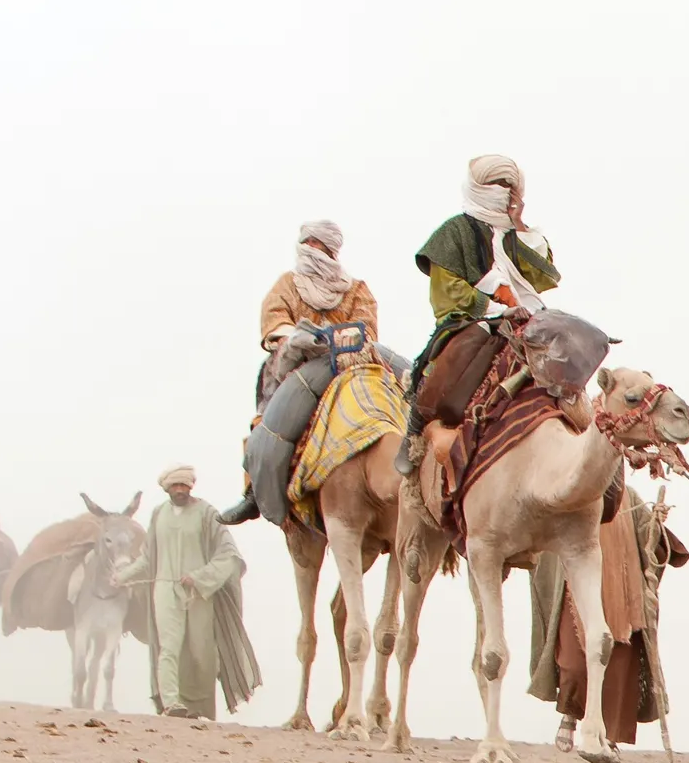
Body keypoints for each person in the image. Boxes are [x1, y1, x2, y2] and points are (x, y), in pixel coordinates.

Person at [399, 155, 560, 474]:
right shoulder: (453, 231)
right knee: (467, 347)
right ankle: (417, 427)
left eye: (509, 187)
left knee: (565, 351)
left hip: (527, 317)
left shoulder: (515, 236)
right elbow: (447, 291)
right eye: (498, 186)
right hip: (472, 319)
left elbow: (540, 278)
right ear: (479, 188)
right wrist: (496, 309)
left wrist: (518, 225)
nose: (504, 192)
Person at [221, 221, 383, 526]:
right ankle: (254, 490)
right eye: (307, 244)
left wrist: (340, 340)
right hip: (296, 365)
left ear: (331, 250)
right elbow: (274, 321)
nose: (312, 250)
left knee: (399, 395)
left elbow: (367, 327)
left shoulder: (356, 289)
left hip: (348, 363)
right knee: (266, 421)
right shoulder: (287, 284)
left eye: (318, 245)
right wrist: (298, 339)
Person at [530, 487, 689, 755]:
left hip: (621, 596)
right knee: (572, 663)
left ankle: (609, 738)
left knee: (617, 670)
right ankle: (570, 713)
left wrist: (655, 523)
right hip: (578, 593)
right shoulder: (571, 488)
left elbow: (650, 542)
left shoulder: (628, 496)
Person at [123, 465, 260, 720]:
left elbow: (228, 554)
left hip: (199, 594)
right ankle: (172, 703)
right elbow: (146, 557)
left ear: (191, 487)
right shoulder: (158, 514)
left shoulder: (206, 513)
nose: (180, 490)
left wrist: (200, 577)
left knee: (202, 653)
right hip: (165, 589)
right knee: (169, 648)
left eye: (184, 485)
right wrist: (122, 576)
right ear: (167, 488)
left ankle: (200, 710)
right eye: (175, 486)